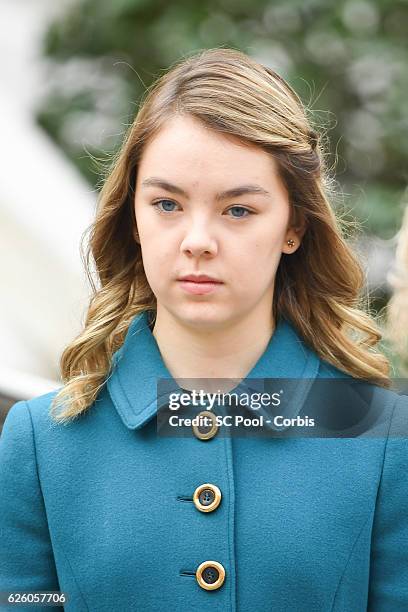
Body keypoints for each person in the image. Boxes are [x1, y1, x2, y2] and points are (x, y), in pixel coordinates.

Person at [0, 47, 407, 612]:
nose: (197, 240)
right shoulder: (39, 442)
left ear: (294, 225)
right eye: (167, 204)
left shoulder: (386, 440)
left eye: (237, 210)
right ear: (133, 218)